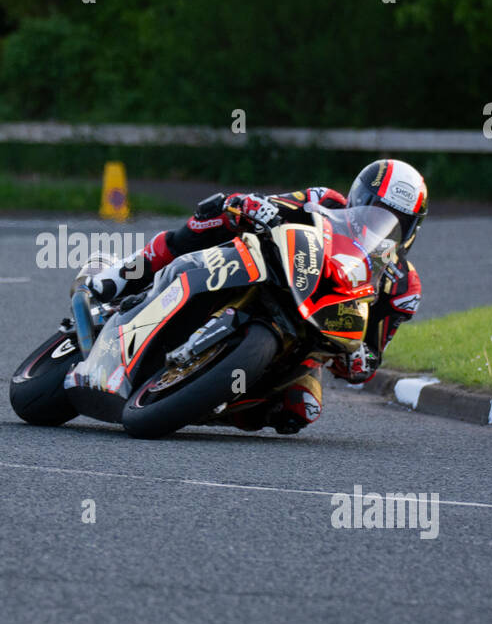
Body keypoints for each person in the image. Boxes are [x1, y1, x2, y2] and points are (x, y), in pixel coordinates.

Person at [88, 159, 426, 435]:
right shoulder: (322, 201)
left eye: (398, 221)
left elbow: (372, 356)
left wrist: (358, 361)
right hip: (269, 275)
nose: (380, 224)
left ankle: (205, 402)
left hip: (310, 338)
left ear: (411, 230)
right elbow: (270, 204)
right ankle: (125, 275)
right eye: (374, 210)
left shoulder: (401, 286)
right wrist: (252, 206)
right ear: (357, 199)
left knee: (303, 408)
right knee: (215, 217)